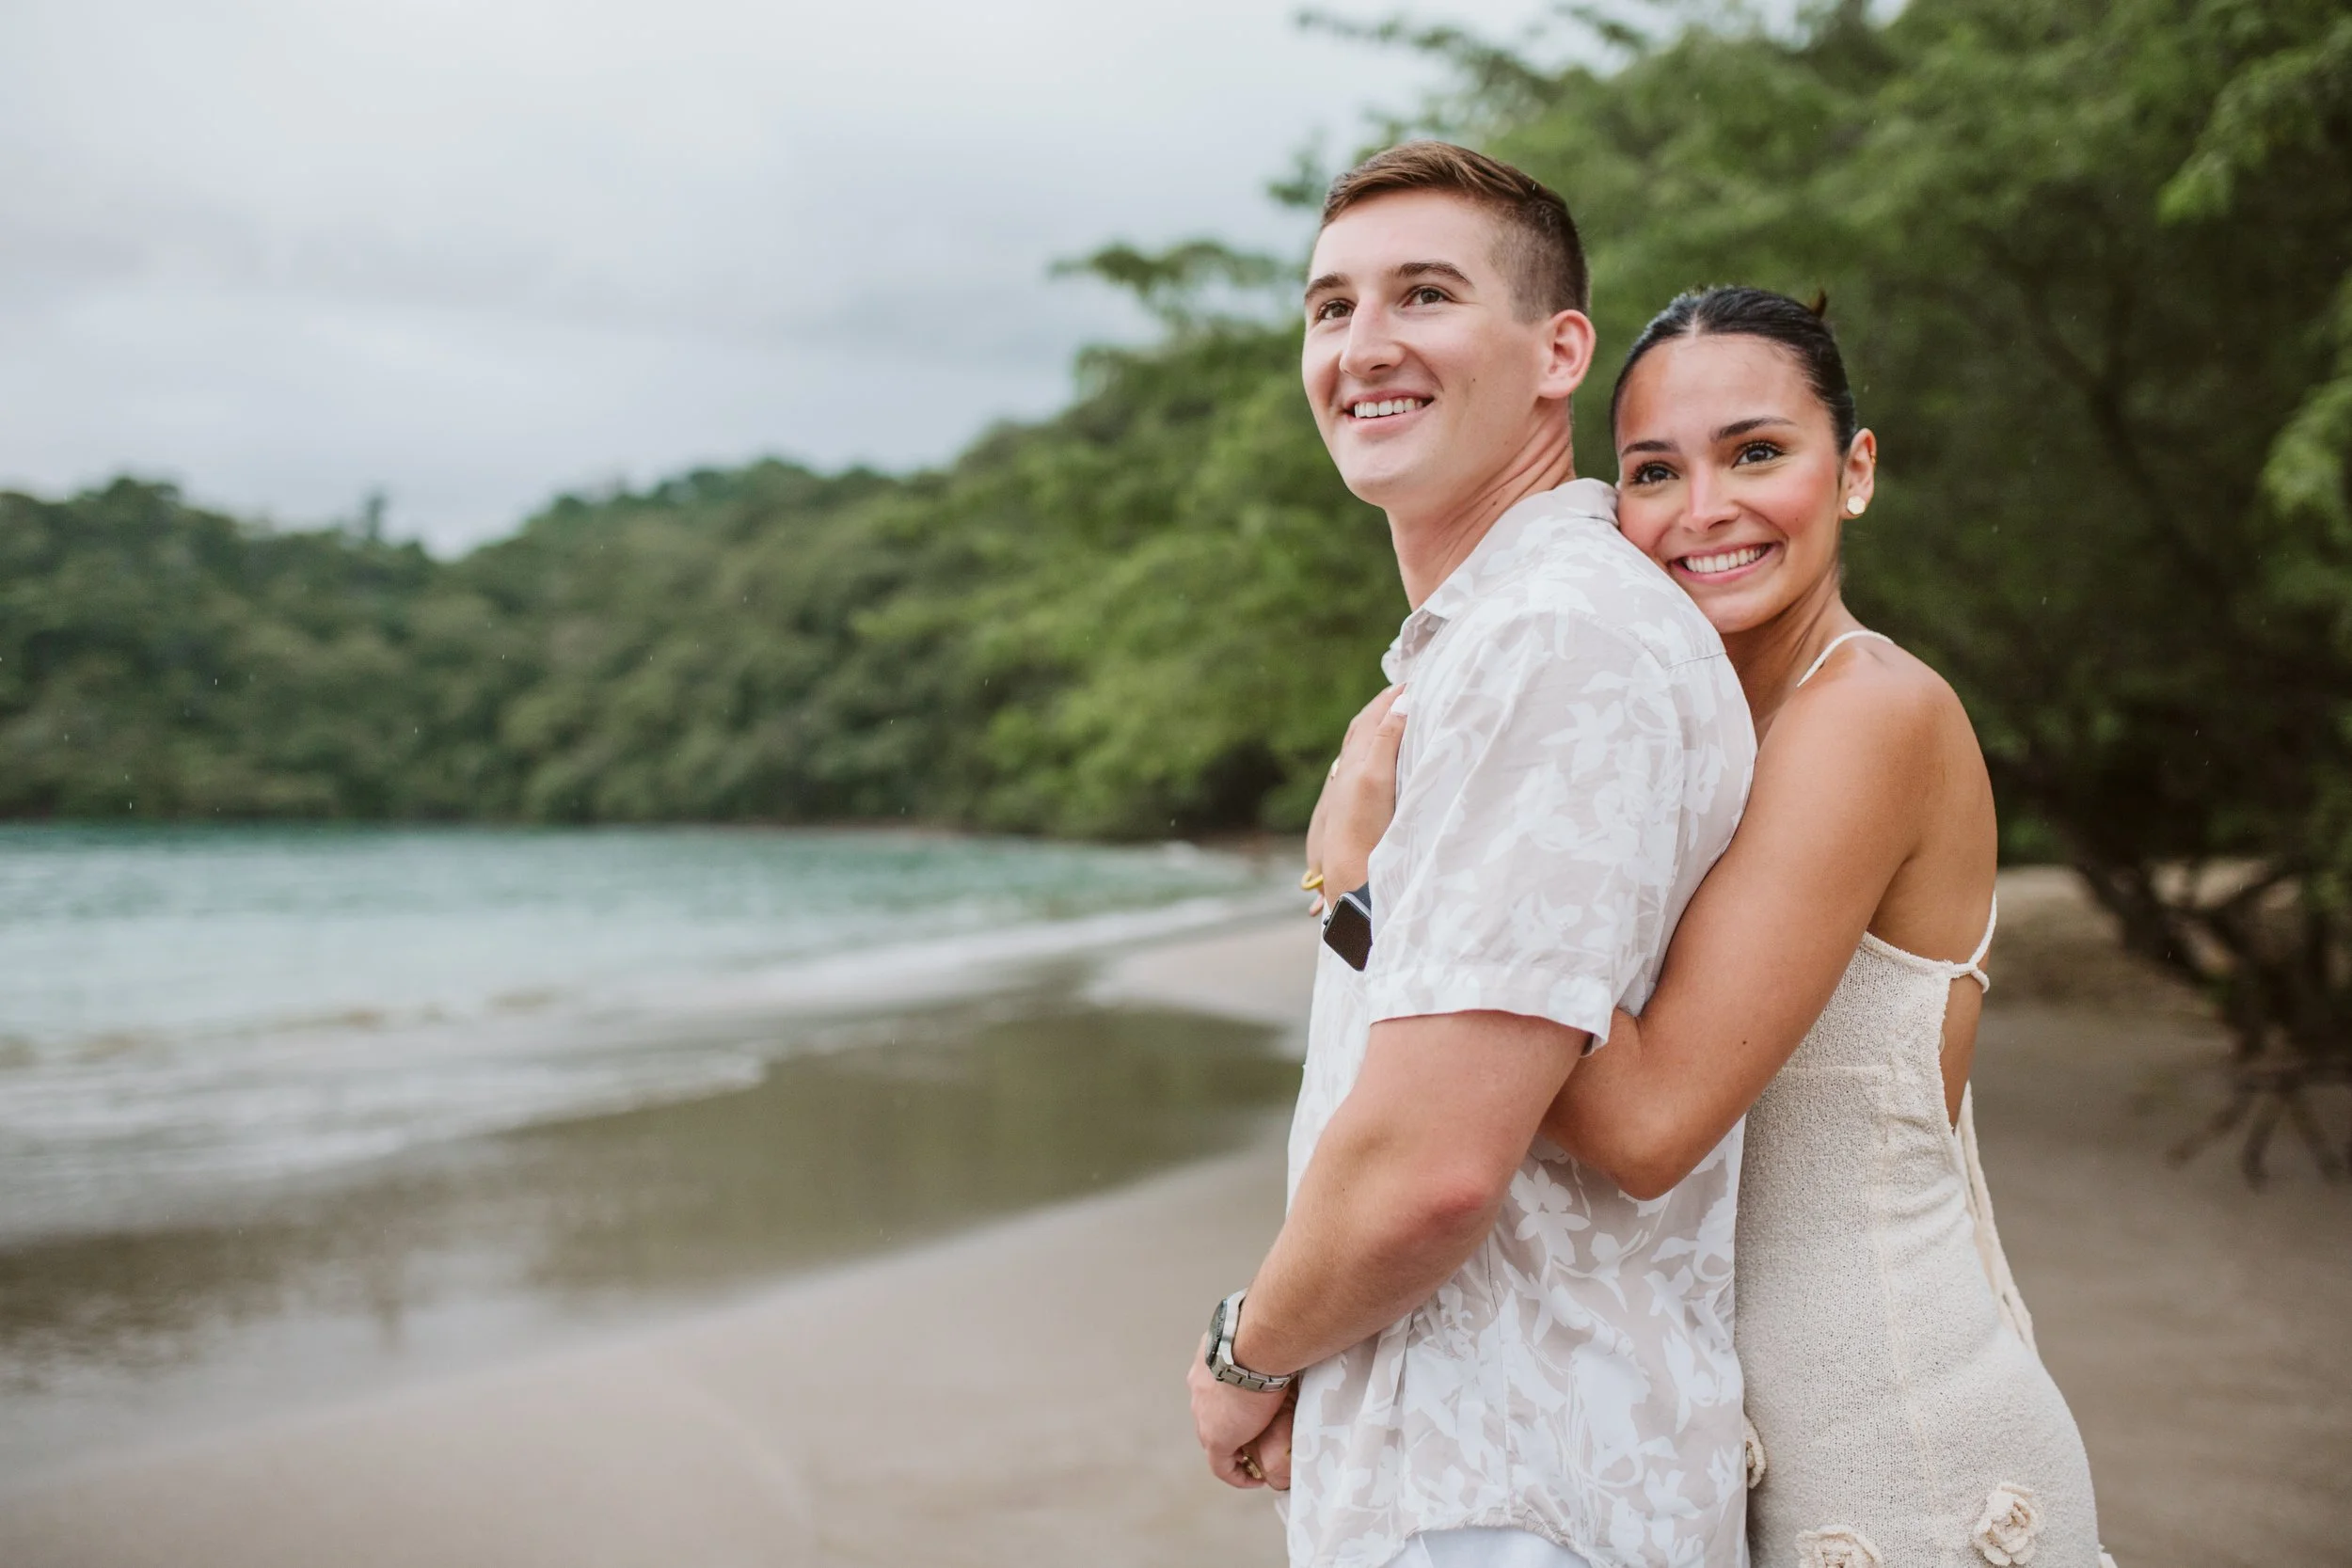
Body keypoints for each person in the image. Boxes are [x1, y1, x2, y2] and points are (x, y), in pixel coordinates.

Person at [1318, 286, 2109, 1568]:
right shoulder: (1696, 738)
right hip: (1725, 1467)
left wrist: (1369, 878)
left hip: (1898, 1472)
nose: (1703, 510)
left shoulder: (1865, 716)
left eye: (1757, 452)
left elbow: (1643, 1125)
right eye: (1651, 471)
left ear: (1852, 471)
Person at [1184, 144, 1756, 1568]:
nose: (1363, 347)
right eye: (1330, 309)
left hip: (1512, 1488)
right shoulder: (1489, 649)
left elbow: (1437, 1162)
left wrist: (1243, 1357)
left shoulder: (1550, 640)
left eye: (1424, 295)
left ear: (1560, 349)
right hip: (1476, 1472)